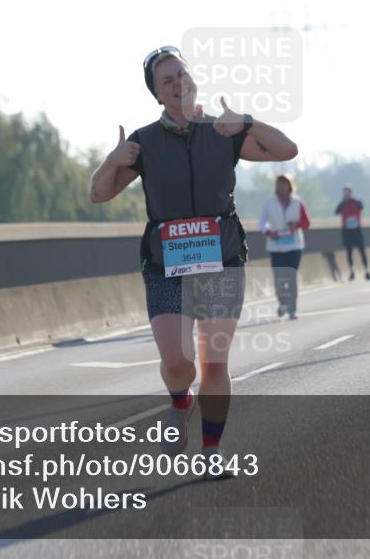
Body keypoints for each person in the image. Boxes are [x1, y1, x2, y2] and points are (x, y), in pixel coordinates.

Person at [88, 46, 297, 475]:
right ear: (158, 95)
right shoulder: (144, 142)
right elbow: (99, 193)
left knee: (214, 363)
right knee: (178, 362)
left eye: (182, 74)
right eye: (168, 80)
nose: (179, 83)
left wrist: (248, 122)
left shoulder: (223, 131)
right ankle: (180, 400)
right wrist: (112, 159)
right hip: (167, 265)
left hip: (222, 260)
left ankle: (211, 451)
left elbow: (287, 150)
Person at [260, 175, 311, 320]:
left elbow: (307, 223)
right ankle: (282, 303)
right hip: (276, 247)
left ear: (290, 186)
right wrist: (269, 232)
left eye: (284, 184)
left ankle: (292, 309)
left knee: (291, 277)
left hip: (294, 246)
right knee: (279, 279)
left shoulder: (298, 202)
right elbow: (262, 223)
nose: (281, 187)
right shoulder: (269, 203)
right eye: (279, 184)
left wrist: (297, 225)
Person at [334, 186, 370, 281]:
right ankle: (352, 272)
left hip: (356, 230)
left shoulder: (356, 202)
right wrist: (343, 202)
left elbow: (361, 207)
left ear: (351, 193)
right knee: (349, 252)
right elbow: (336, 212)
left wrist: (353, 200)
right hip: (347, 230)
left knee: (362, 251)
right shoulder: (342, 204)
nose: (346, 195)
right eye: (345, 193)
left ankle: (367, 271)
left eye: (348, 193)